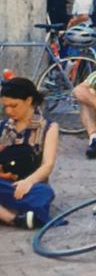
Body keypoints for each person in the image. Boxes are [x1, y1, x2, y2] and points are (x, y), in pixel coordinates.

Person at [0, 78, 58, 229]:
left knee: (44, 192)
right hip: (3, 183)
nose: (9, 111)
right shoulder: (3, 126)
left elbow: (48, 165)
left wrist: (28, 182)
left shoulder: (48, 127)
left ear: (28, 100)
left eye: (14, 106)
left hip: (30, 186)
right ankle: (15, 219)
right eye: (5, 107)